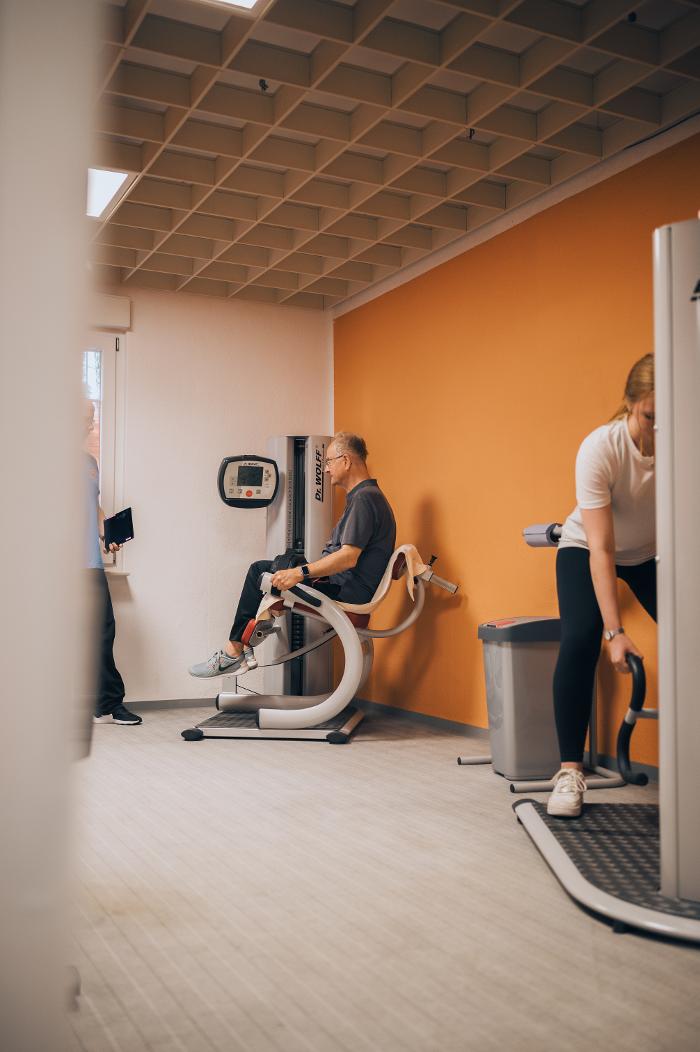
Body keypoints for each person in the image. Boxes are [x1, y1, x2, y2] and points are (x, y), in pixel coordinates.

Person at [190, 431, 396, 678]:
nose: (327, 470)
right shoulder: (366, 497)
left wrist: (300, 573)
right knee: (274, 567)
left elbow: (348, 557)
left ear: (346, 461)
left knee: (261, 571)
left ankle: (233, 652)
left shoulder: (364, 499)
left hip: (344, 592)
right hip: (343, 587)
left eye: (329, 462)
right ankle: (239, 649)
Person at [547, 354, 656, 817]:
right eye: (650, 417)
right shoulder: (602, 448)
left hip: (654, 552)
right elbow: (603, 550)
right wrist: (615, 633)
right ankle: (570, 771)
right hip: (585, 548)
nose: (658, 431)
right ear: (632, 404)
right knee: (579, 640)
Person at [84, 398, 142, 725]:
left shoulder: (89, 462)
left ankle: (107, 704)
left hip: (89, 563)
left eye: (92, 419)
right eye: (86, 418)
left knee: (103, 632)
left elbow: (94, 507)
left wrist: (108, 534)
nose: (91, 425)